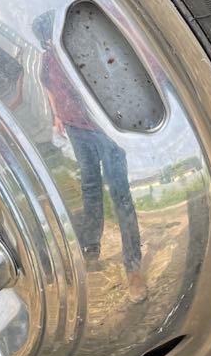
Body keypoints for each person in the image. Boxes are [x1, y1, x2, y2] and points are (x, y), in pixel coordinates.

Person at [35, 16, 146, 301]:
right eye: (46, 40)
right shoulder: (48, 60)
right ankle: (91, 248)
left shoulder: (84, 50)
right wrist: (58, 114)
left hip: (105, 129)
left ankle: (133, 268)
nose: (50, 43)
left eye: (51, 37)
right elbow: (48, 85)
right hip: (75, 128)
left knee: (120, 193)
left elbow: (117, 79)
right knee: (90, 187)